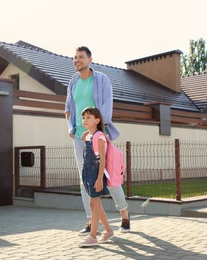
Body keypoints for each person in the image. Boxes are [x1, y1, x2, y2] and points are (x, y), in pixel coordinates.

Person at [65, 46, 130, 236]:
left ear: (90, 59)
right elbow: (68, 106)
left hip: (99, 135)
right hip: (79, 137)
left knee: (110, 177)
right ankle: (90, 221)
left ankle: (124, 213)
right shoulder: (73, 81)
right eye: (75, 57)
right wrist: (71, 128)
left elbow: (106, 108)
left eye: (81, 57)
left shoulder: (102, 80)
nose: (77, 60)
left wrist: (95, 132)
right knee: (85, 179)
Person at [78, 107, 114, 247]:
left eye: (88, 117)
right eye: (83, 118)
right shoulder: (88, 135)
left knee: (93, 204)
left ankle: (92, 236)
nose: (85, 120)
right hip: (87, 171)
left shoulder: (100, 137)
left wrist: (99, 179)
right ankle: (109, 231)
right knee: (97, 204)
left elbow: (102, 161)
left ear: (97, 120)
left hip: (95, 173)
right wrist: (88, 133)